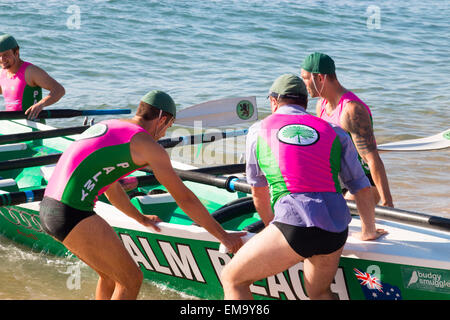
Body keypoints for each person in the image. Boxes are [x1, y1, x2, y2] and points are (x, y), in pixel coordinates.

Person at [39, 90, 245, 300]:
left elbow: (112, 190)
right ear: (162, 119)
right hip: (71, 212)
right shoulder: (146, 145)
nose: (164, 134)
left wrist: (141, 218)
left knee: (110, 277)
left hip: (50, 207)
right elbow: (185, 198)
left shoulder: (110, 126)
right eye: (168, 127)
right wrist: (223, 236)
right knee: (132, 280)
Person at [221, 74, 386, 300]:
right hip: (336, 230)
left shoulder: (258, 130)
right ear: (305, 103)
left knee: (232, 279)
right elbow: (361, 186)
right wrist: (368, 231)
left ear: (273, 101)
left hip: (294, 227)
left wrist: (274, 230)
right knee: (319, 292)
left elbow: (259, 191)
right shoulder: (336, 131)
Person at [300, 52, 393, 207]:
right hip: (338, 180)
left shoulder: (352, 110)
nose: (304, 84)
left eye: (305, 78)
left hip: (363, 182)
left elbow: (372, 159)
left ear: (320, 78)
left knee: (334, 210)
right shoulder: (321, 106)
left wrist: (387, 203)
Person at [0, 34, 65, 119]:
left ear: (16, 52)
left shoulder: (31, 71)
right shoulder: (2, 74)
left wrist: (41, 104)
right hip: (12, 125)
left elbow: (59, 90)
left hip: (32, 126)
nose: (2, 59)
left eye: (6, 54)